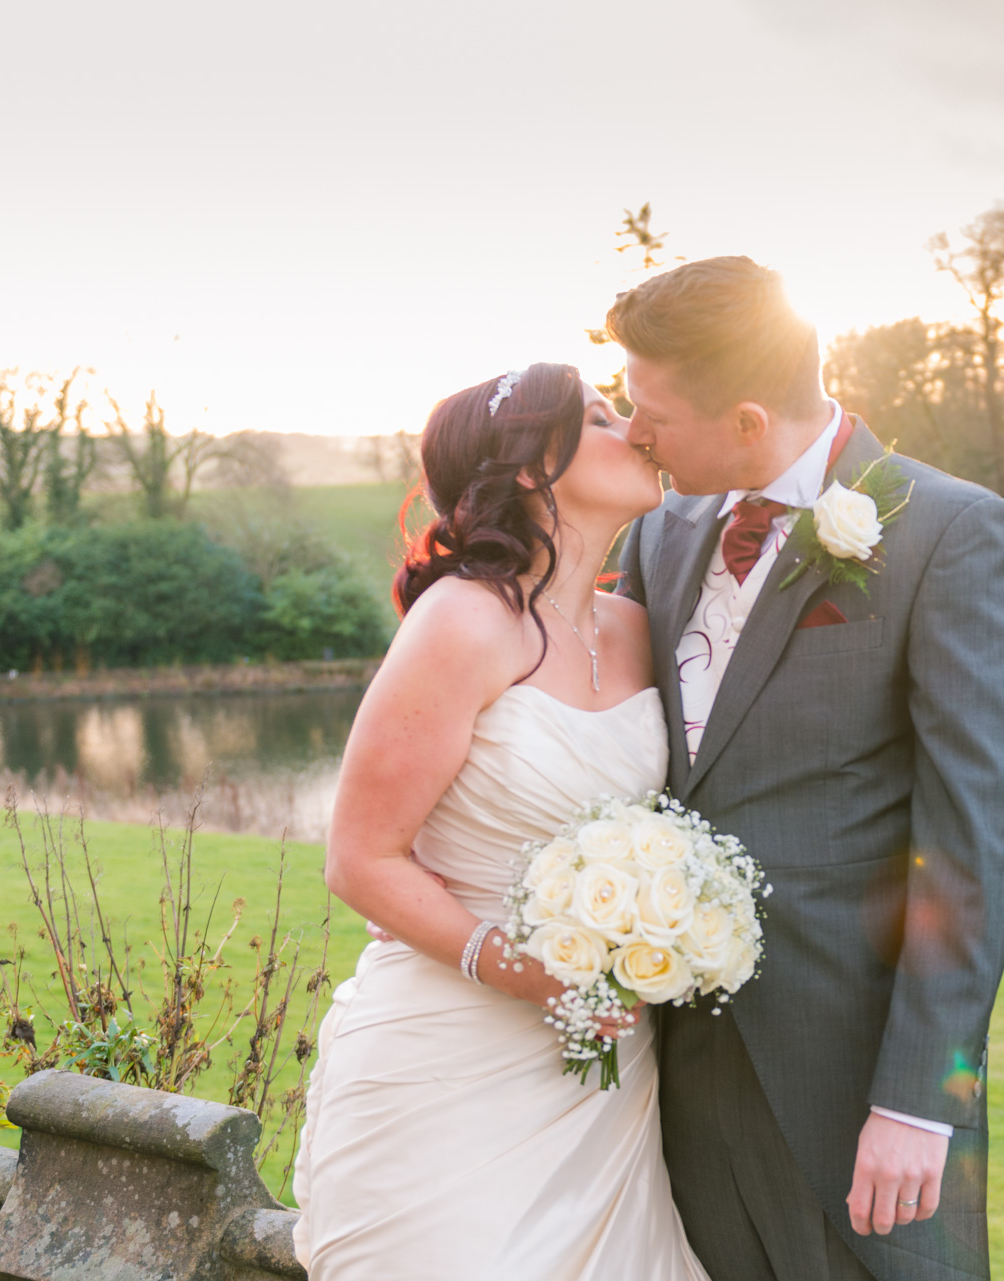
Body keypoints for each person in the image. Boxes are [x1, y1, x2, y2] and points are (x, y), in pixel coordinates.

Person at [611, 257, 1004, 1281]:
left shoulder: (951, 534)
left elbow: (973, 832)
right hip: (671, 1064)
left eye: (651, 413)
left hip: (852, 1076)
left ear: (749, 422)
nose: (633, 434)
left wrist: (917, 1097)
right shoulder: (655, 537)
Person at [290, 363, 709, 1279]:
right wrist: (525, 971)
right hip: (449, 1060)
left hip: (600, 1078)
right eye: (601, 418)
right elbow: (361, 859)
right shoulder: (463, 623)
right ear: (530, 468)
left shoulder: (637, 628)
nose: (635, 429)